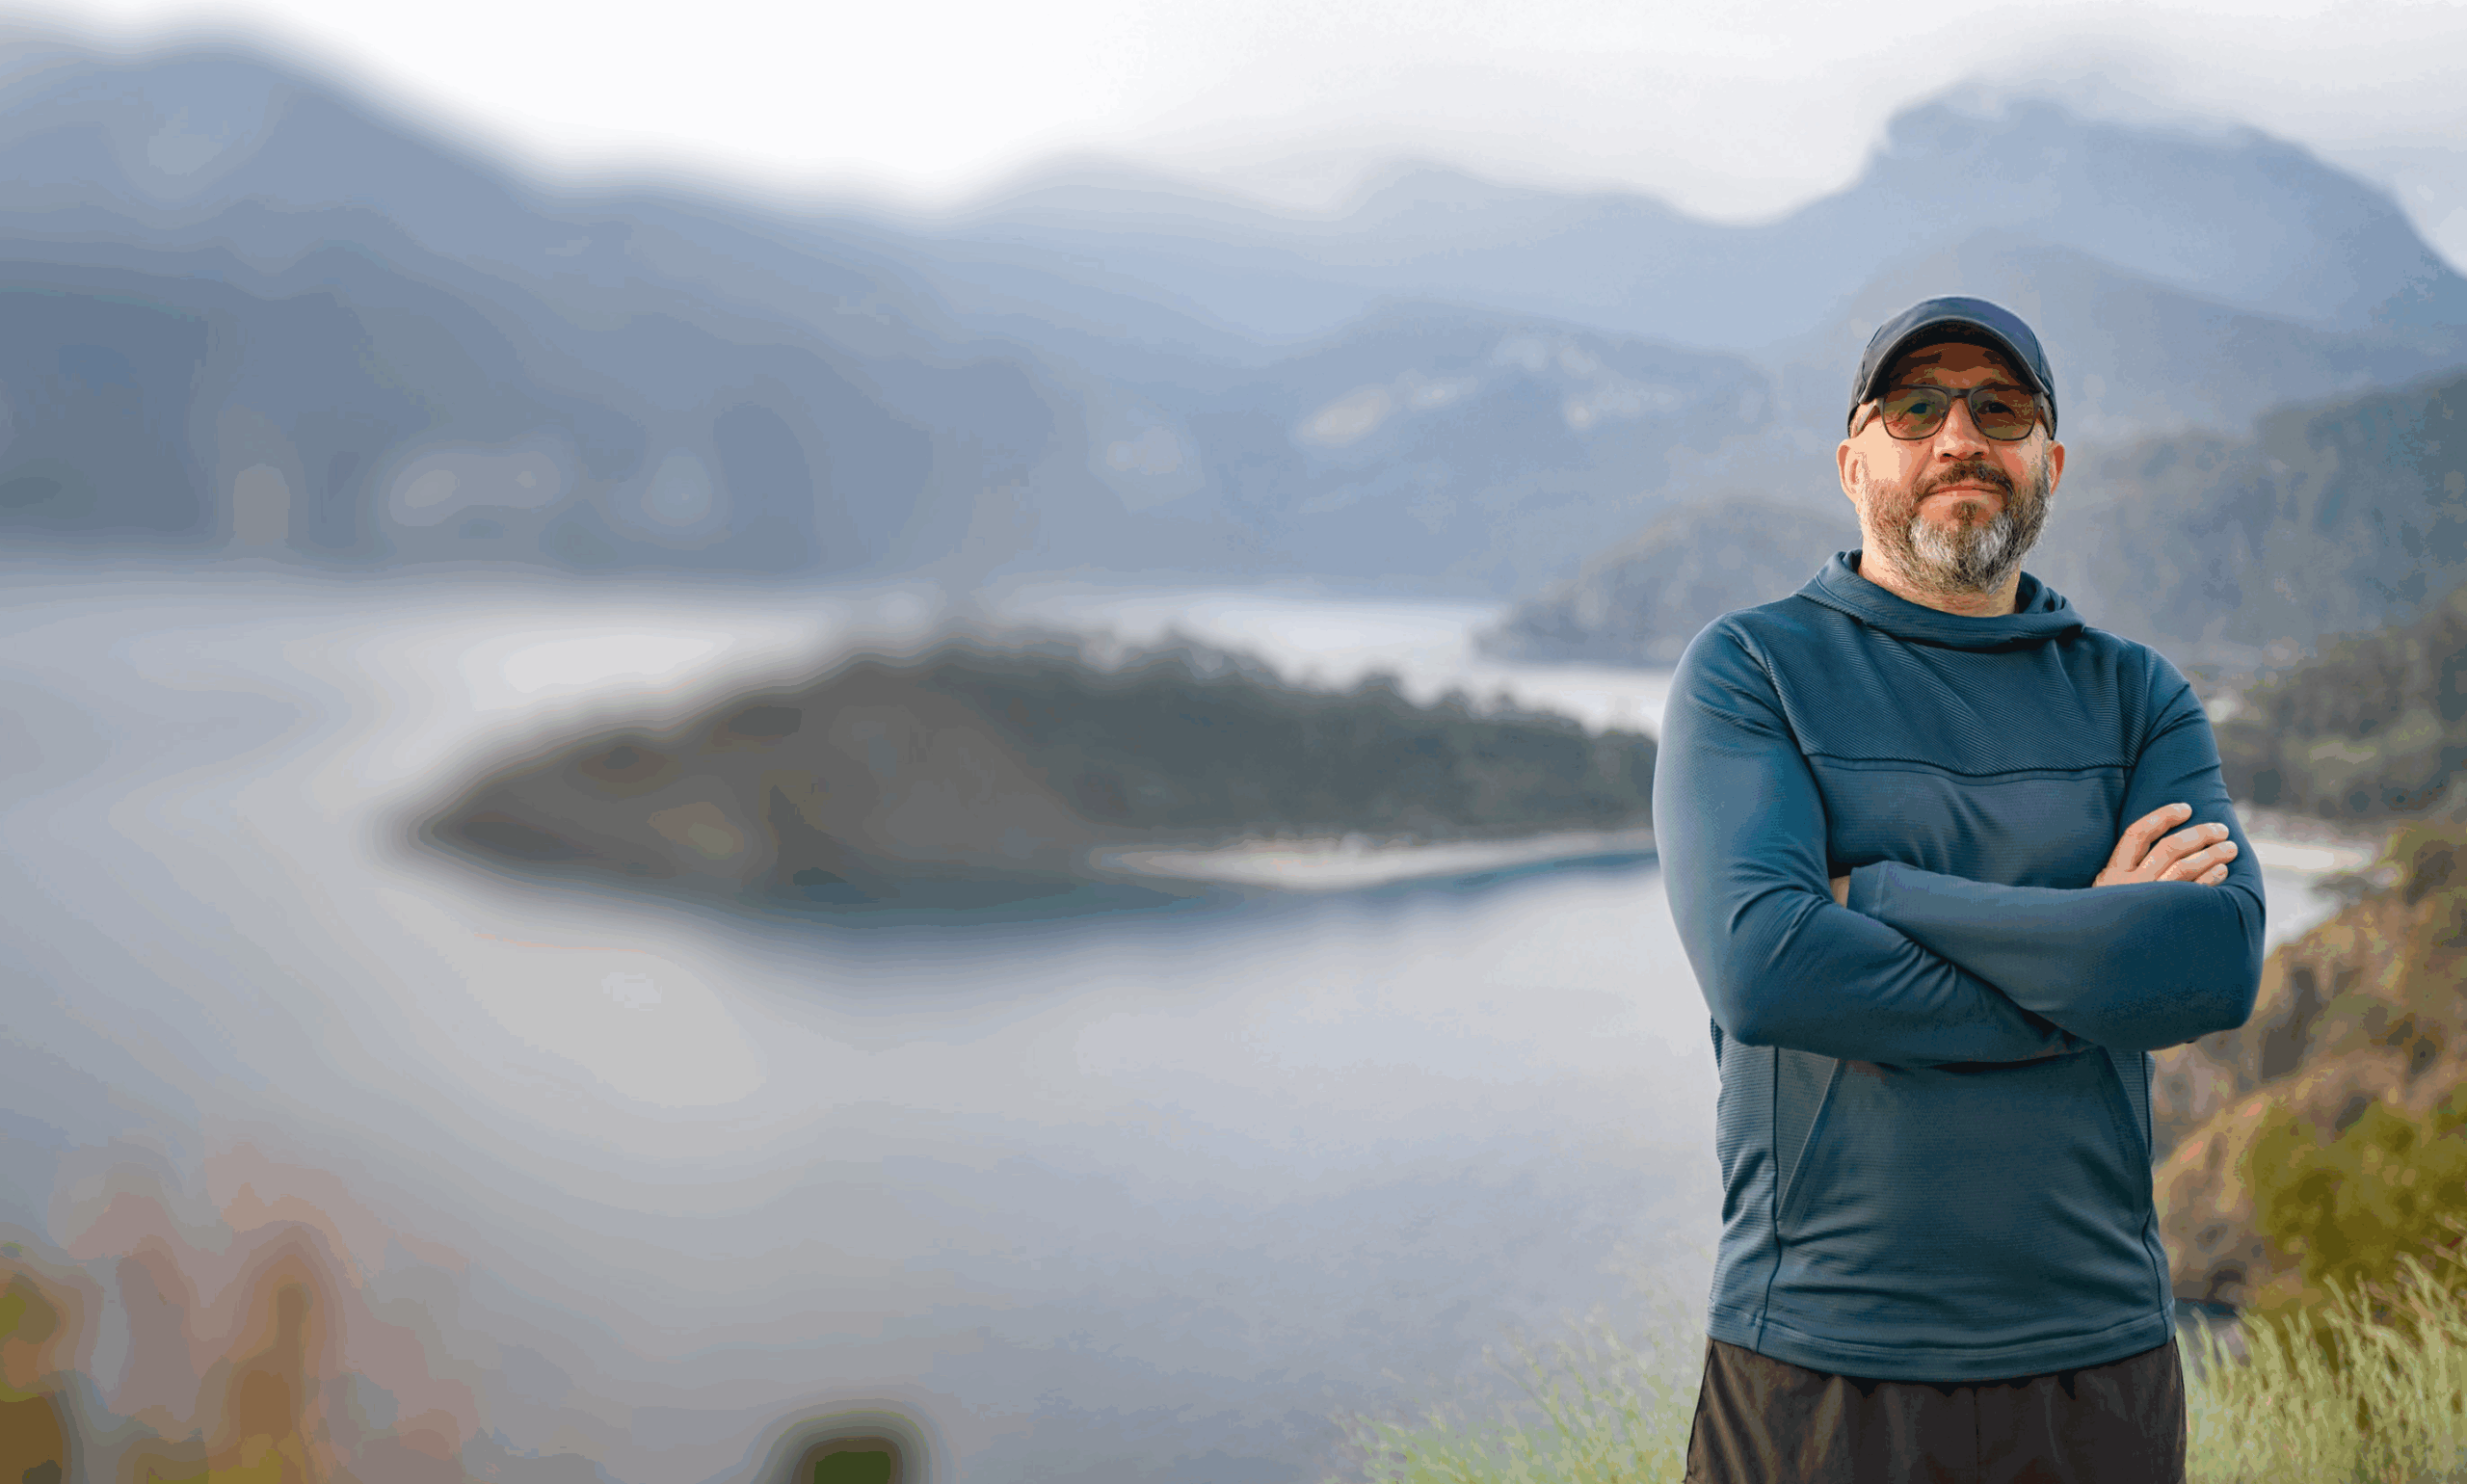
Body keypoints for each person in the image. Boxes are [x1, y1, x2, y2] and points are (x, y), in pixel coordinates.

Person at [1650, 295, 2266, 1483]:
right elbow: (1766, 971)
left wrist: (1879, 896)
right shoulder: (1751, 668)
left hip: (2100, 1366)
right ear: (1852, 460)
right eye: (1914, 405)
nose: (1957, 436)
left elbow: (2212, 962)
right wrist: (2094, 949)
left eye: (2000, 407)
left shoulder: (2137, 694)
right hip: (1819, 1363)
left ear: (2050, 461)